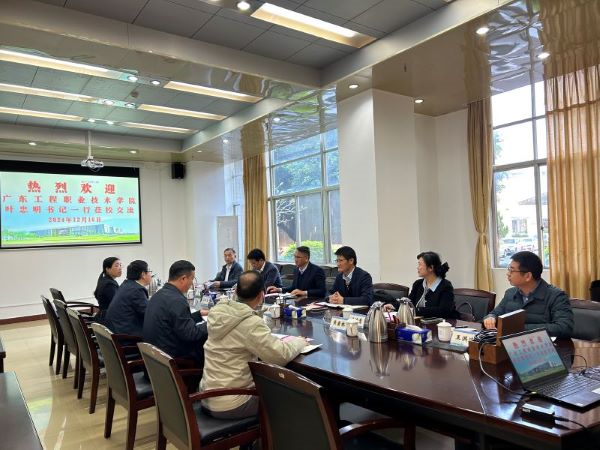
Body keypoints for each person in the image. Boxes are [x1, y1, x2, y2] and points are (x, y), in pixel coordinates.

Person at [201, 270, 308, 419]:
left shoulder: (218, 311)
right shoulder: (250, 323)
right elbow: (280, 356)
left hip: (207, 396)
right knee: (294, 398)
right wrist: (300, 342)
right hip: (232, 402)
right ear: (261, 295)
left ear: (236, 291)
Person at [483, 251, 573, 338]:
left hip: (544, 345)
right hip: (512, 344)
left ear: (528, 276)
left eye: (512, 270)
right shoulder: (510, 293)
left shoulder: (556, 296)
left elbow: (564, 327)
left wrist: (519, 328)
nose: (508, 274)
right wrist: (490, 318)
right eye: (509, 269)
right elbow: (496, 313)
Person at [143, 260, 208, 368]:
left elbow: (175, 320)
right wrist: (213, 322)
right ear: (183, 279)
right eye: (192, 279)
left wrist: (199, 314)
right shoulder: (177, 300)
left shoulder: (159, 295)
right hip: (173, 363)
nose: (192, 283)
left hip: (155, 359)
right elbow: (191, 334)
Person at [105, 260, 151, 337]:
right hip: (126, 336)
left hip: (115, 331)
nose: (151, 274)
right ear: (143, 274)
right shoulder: (137, 290)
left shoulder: (126, 284)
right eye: (149, 271)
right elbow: (148, 315)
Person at [406, 251, 457, 319]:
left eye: (420, 265)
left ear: (431, 268)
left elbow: (444, 311)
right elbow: (409, 302)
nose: (418, 268)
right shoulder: (418, 284)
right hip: (418, 323)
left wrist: (417, 310)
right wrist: (395, 305)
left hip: (439, 324)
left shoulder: (445, 286)